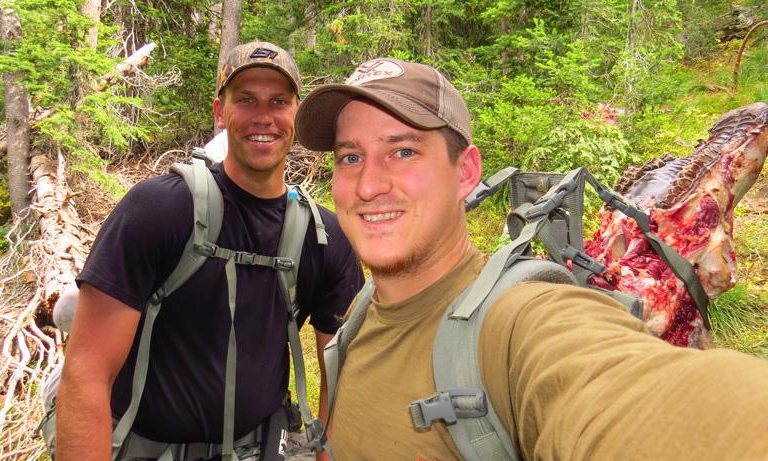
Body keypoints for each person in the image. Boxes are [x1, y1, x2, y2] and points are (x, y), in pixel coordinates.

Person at [293, 57, 768, 460]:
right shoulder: (361, 312)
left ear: (466, 173)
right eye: (350, 158)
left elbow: (642, 397)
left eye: (402, 150)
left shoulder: (519, 325)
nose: (369, 185)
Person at [55, 42, 363, 461]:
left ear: (296, 115)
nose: (263, 117)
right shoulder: (158, 211)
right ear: (220, 112)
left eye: (278, 102)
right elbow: (86, 372)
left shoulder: (325, 238)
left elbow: (341, 382)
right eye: (246, 100)